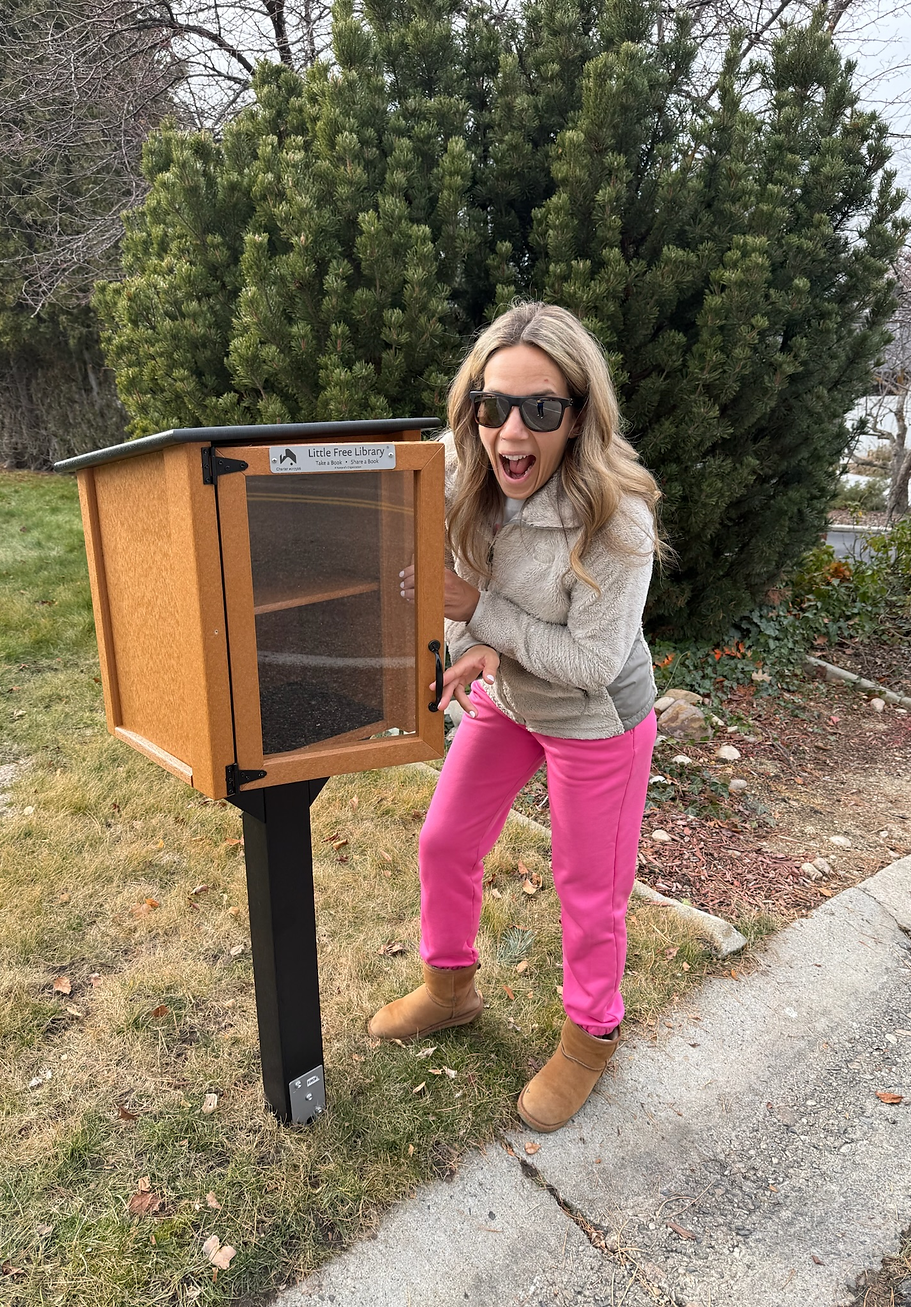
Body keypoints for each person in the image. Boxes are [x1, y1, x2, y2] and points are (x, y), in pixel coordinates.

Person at [368, 301, 664, 1133]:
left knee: (588, 887)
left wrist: (482, 618)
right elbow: (456, 588)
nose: (511, 431)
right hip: (512, 698)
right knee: (445, 840)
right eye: (493, 405)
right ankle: (449, 989)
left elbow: (589, 663)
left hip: (595, 717)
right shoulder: (470, 481)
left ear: (577, 415)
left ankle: (591, 1035)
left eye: (541, 408)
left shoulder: (618, 517)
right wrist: (473, 641)